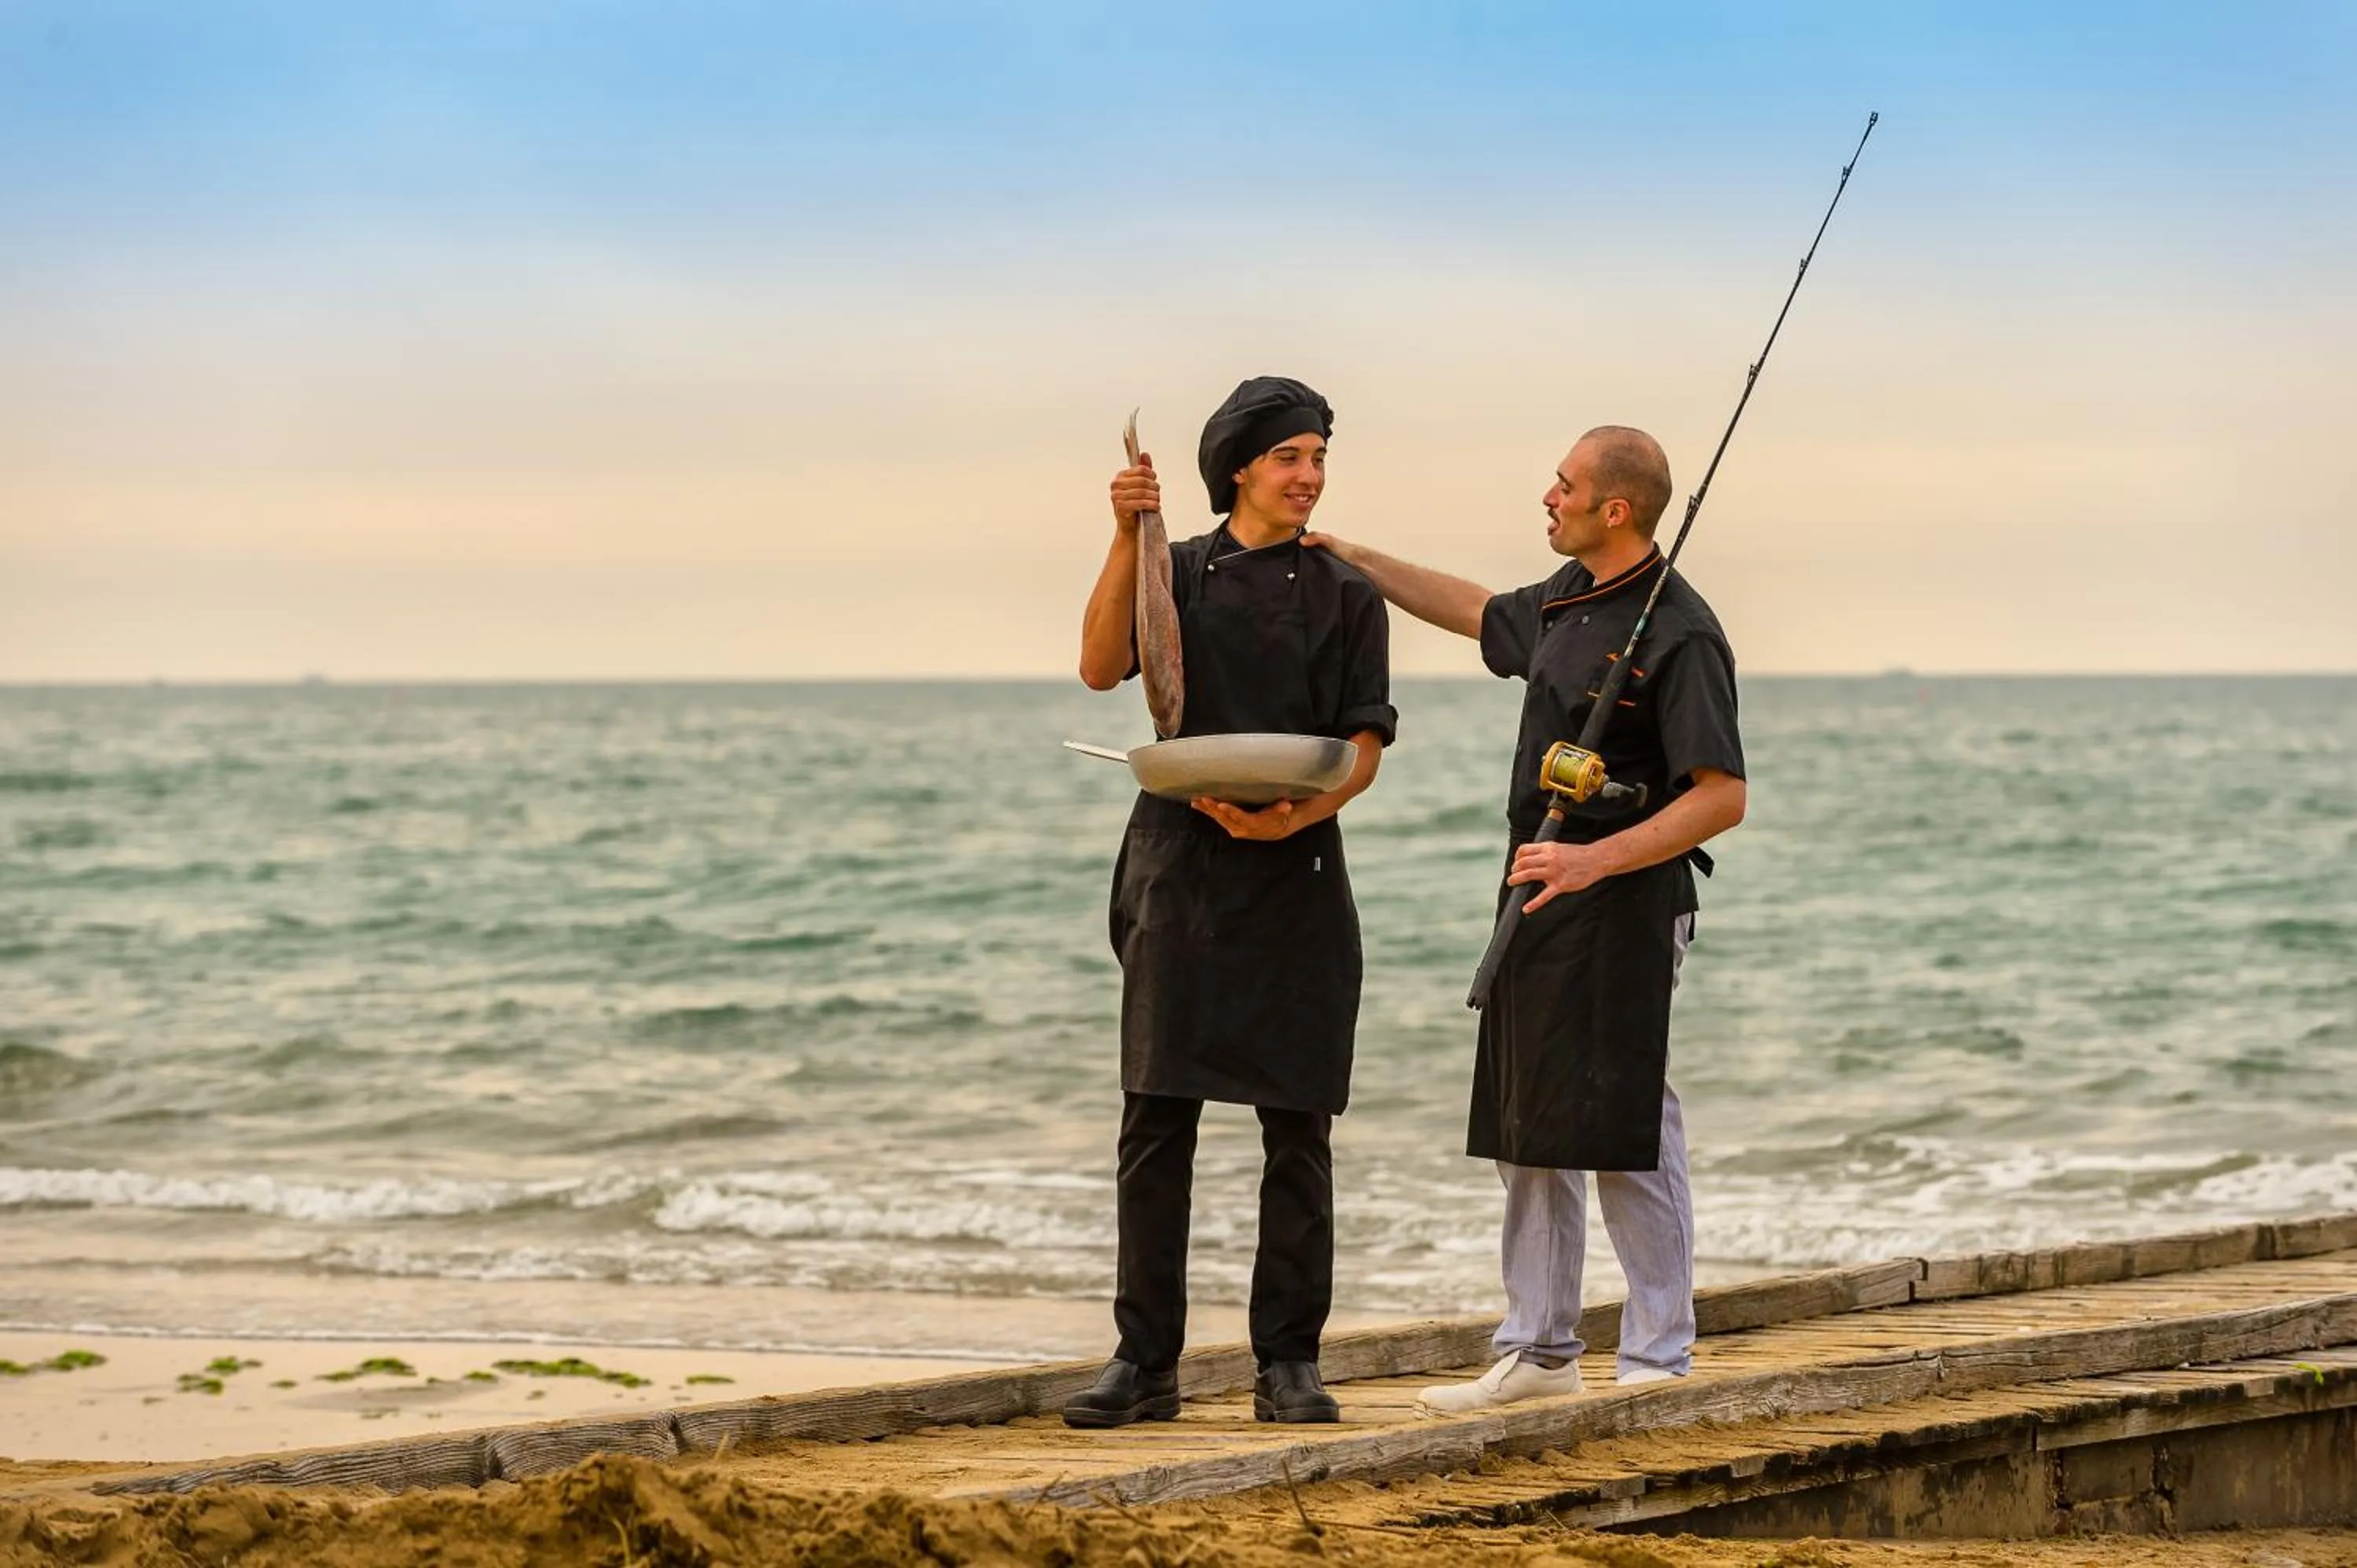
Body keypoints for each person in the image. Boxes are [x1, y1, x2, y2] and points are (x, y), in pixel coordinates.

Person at [1305, 424, 1744, 1411]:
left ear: (1614, 508)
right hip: (1535, 891)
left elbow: (1722, 797)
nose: (1549, 496)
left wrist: (1593, 858)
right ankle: (1541, 1348)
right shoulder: (1563, 598)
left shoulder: (1682, 631)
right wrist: (1353, 556)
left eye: (1565, 484)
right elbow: (1474, 609)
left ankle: (1659, 1356)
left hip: (1627, 902)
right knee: (1528, 1118)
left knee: (1626, 1119)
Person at [1065, 376, 1396, 1429]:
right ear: (1240, 467)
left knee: (1298, 1126)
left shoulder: (1347, 592)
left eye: (1319, 457)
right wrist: (1126, 534)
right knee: (1156, 1120)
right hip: (1178, 865)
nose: (1310, 475)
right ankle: (1144, 1361)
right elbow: (1100, 667)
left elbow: (1363, 746)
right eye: (1291, 456)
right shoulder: (1174, 570)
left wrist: (1295, 820)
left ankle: (1288, 1362)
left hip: (1299, 871)